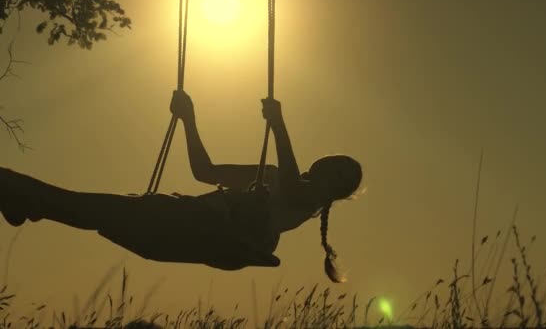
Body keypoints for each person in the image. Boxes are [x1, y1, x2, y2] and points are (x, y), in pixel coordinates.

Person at [0, 91, 362, 282]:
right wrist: (189, 118)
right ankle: (26, 201)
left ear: (334, 189)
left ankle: (21, 195)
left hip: (204, 233)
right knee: (89, 209)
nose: (326, 170)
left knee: (89, 209)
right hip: (182, 222)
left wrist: (280, 125)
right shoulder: (271, 174)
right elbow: (204, 171)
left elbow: (293, 186)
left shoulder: (308, 200)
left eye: (336, 174)